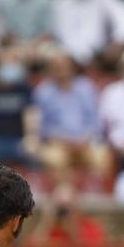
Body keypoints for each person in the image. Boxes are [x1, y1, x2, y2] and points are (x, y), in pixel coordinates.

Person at [33, 49, 108, 184]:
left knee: (102, 156)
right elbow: (42, 127)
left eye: (64, 66)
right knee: (55, 159)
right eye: (56, 67)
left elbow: (95, 120)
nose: (61, 70)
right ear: (50, 69)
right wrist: (65, 140)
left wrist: (84, 138)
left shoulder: (85, 88)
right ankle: (65, 197)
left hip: (84, 142)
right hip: (57, 143)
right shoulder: (43, 91)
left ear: (72, 67)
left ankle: (94, 197)